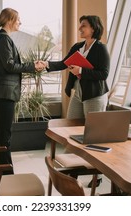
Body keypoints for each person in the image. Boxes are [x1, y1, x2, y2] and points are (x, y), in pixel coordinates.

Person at [42, 15, 109, 187]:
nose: (80, 29)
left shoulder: (101, 49)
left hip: (94, 95)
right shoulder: (78, 47)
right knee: (70, 130)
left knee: (94, 136)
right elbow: (64, 63)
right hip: (79, 92)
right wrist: (46, 64)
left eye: (83, 26)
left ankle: (97, 173)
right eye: (80, 26)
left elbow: (103, 74)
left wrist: (82, 70)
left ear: (93, 28)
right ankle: (72, 169)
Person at [0, 8, 45, 175]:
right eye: (18, 19)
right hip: (5, 93)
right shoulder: (4, 39)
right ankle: (7, 175)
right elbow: (11, 66)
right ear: (10, 21)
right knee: (4, 136)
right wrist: (33, 66)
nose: (20, 22)